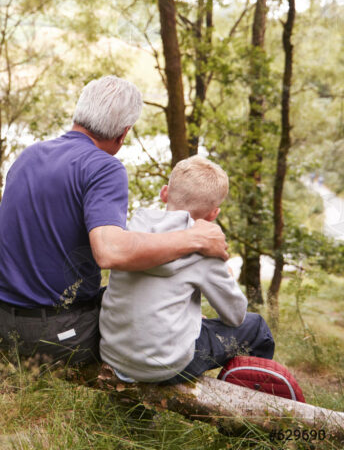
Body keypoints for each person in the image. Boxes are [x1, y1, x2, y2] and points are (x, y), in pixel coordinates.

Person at [0, 75, 229, 366]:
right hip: (48, 335)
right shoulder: (104, 167)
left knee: (136, 303)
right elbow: (110, 252)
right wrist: (195, 237)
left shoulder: (30, 155)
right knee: (160, 337)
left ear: (80, 112)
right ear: (123, 134)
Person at [99, 156, 275, 383]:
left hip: (114, 354)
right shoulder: (205, 251)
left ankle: (136, 416)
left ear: (164, 193)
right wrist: (228, 275)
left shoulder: (131, 231)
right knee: (257, 327)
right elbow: (235, 315)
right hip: (163, 367)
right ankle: (249, 399)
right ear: (213, 214)